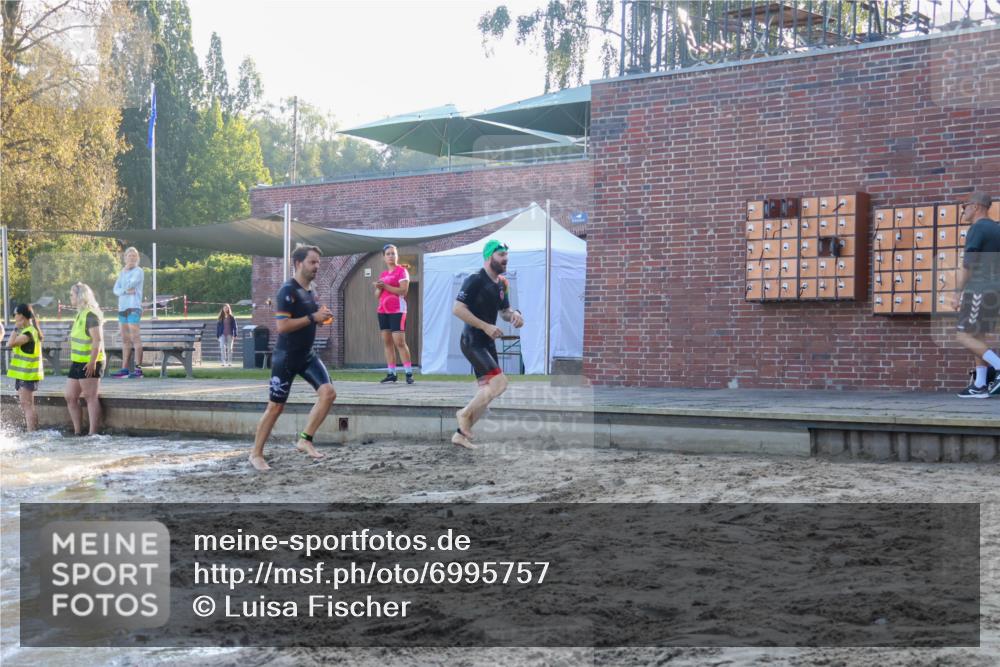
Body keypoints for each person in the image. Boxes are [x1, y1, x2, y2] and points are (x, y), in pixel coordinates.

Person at [249, 245, 336, 471]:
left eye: (318, 262)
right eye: (312, 262)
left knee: (328, 393)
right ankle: (256, 454)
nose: (317, 266)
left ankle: (305, 439)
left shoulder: (311, 290)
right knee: (276, 407)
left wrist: (322, 318)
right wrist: (313, 317)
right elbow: (283, 326)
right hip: (286, 357)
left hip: (307, 355)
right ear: (298, 263)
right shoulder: (287, 291)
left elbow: (311, 318)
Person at [451, 240, 524, 449]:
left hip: (487, 342)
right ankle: (463, 414)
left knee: (488, 393)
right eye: (501, 255)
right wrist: (485, 326)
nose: (505, 259)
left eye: (506, 255)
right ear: (489, 257)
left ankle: (460, 436)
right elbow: (457, 309)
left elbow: (504, 311)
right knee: (499, 384)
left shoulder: (502, 283)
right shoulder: (475, 279)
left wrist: (515, 314)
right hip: (472, 341)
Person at [953, 192, 1000, 397]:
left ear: (976, 206)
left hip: (979, 289)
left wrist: (957, 292)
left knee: (963, 335)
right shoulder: (996, 229)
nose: (963, 210)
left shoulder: (978, 228)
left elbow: (968, 264)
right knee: (977, 335)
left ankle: (998, 366)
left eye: (965, 206)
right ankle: (980, 384)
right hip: (993, 290)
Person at [65, 282, 105, 434]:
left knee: (90, 396)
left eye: (72, 294)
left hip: (90, 362)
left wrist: (92, 362)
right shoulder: (80, 314)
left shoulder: (91, 315)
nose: (70, 297)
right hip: (77, 362)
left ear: (80, 296)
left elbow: (98, 340)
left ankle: (92, 433)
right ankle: (78, 432)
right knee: (70, 396)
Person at [374, 244, 414, 384]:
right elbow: (377, 295)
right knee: (387, 342)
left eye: (393, 253)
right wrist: (379, 288)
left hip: (397, 310)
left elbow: (403, 291)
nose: (391, 256)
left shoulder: (402, 271)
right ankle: (391, 373)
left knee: (399, 342)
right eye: (388, 254)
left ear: (397, 256)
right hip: (382, 311)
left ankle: (408, 373)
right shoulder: (383, 275)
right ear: (384, 257)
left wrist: (385, 286)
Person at [8, 303, 44, 431]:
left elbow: (10, 344)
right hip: (24, 374)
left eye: (15, 314)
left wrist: (15, 328)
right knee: (27, 405)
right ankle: (33, 431)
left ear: (21, 315)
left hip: (27, 374)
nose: (14, 317)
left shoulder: (28, 333)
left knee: (27, 405)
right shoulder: (29, 331)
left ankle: (31, 433)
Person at [111, 246, 144, 378]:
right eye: (129, 256)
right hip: (122, 308)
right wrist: (124, 291)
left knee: (135, 338)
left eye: (134, 256)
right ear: (125, 258)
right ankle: (124, 369)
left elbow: (131, 284)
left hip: (133, 308)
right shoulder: (122, 272)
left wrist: (122, 289)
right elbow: (115, 289)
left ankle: (138, 370)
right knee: (125, 339)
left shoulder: (139, 271)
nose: (131, 258)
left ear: (137, 258)